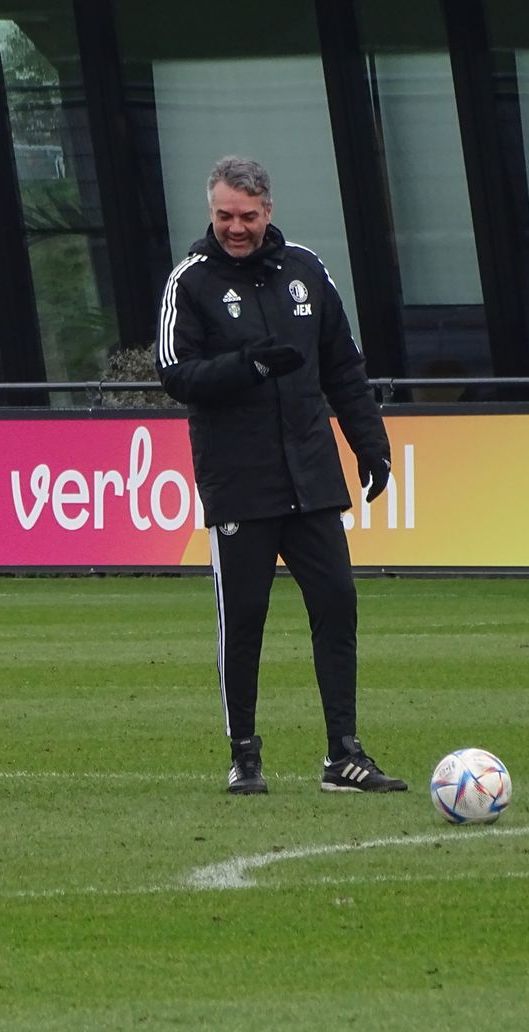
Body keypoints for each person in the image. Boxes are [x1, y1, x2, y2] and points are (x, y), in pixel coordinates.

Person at [155, 156, 407, 796]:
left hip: (312, 476)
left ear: (268, 210)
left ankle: (343, 755)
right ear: (210, 210)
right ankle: (244, 754)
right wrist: (249, 366)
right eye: (223, 216)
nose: (234, 228)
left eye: (246, 216)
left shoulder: (307, 270)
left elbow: (343, 369)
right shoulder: (190, 280)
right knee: (243, 619)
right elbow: (174, 375)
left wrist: (370, 445)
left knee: (337, 606)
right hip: (239, 481)